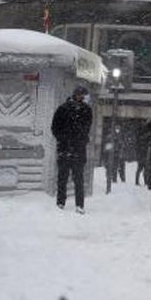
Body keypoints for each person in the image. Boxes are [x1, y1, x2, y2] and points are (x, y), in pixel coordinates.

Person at [52, 85, 93, 213]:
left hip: (76, 149)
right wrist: (64, 138)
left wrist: (76, 138)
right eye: (80, 94)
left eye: (83, 95)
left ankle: (79, 204)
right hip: (68, 148)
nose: (82, 97)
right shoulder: (64, 109)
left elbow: (87, 127)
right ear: (75, 94)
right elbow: (55, 127)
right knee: (64, 178)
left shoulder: (85, 110)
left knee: (77, 178)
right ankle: (61, 203)